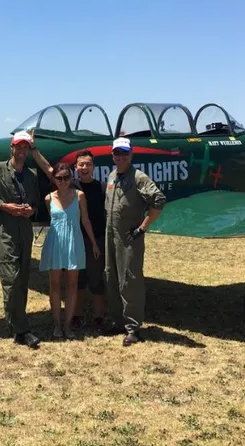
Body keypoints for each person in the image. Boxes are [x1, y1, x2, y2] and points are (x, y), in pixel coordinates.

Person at [0, 130, 43, 349]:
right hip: (6, 231)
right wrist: (4, 206)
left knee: (22, 280)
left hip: (25, 231)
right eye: (18, 147)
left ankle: (15, 324)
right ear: (11, 148)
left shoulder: (32, 176)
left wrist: (29, 210)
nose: (22, 151)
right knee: (11, 280)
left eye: (25, 147)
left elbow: (36, 204)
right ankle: (22, 329)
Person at [104, 137, 166, 347]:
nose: (120, 157)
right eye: (116, 153)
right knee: (111, 277)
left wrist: (142, 227)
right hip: (110, 235)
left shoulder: (138, 177)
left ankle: (133, 329)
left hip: (129, 238)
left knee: (130, 280)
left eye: (124, 153)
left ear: (131, 155)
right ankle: (118, 321)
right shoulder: (113, 176)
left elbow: (159, 200)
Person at [38, 162, 100, 340]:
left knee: (73, 286)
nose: (63, 181)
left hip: (74, 242)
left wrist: (94, 243)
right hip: (55, 243)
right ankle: (57, 324)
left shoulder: (79, 195)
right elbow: (54, 222)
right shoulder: (48, 198)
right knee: (55, 285)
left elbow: (86, 220)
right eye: (59, 178)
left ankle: (68, 325)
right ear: (54, 179)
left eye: (67, 177)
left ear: (71, 177)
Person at [69, 150, 108, 333]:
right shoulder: (69, 186)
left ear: (93, 167)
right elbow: (49, 170)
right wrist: (34, 150)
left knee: (96, 279)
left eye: (88, 164)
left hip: (96, 242)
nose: (84, 168)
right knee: (78, 281)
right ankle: (77, 316)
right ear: (75, 167)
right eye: (81, 164)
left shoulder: (102, 187)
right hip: (76, 241)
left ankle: (99, 317)